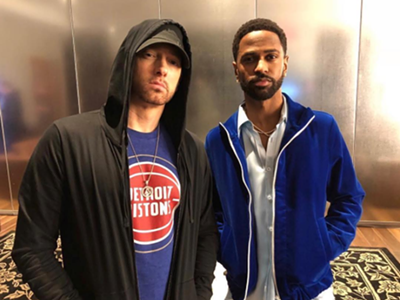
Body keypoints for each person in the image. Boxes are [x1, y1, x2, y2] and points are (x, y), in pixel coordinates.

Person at [12, 19, 218, 300]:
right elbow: (32, 246)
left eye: (174, 62)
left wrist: (200, 293)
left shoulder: (192, 151)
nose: (162, 68)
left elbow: (205, 232)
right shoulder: (67, 140)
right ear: (128, 60)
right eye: (149, 54)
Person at [205, 18, 365, 300]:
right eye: (250, 59)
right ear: (236, 70)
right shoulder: (218, 141)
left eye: (271, 56)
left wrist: (324, 245)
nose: (261, 67)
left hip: (310, 288)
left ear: (285, 63)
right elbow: (212, 211)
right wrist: (227, 247)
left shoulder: (320, 129)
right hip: (244, 290)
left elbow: (348, 197)